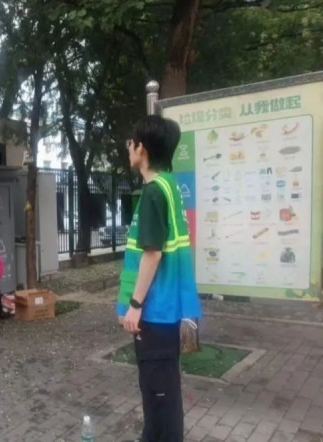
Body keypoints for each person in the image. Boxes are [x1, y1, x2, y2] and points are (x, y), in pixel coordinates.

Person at [117, 115, 201, 442]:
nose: (129, 148)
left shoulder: (154, 192)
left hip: (155, 311)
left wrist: (135, 304)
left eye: (132, 142)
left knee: (158, 398)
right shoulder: (170, 186)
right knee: (163, 395)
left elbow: (152, 254)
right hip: (169, 309)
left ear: (143, 149)